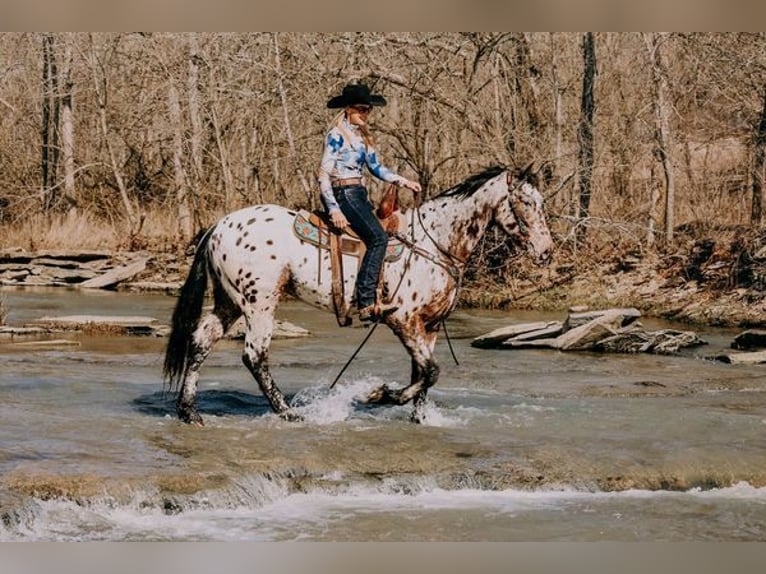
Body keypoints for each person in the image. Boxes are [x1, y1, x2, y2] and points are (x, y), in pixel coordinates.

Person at [317, 83, 422, 323]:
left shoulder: (362, 138)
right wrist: (333, 209)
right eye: (361, 109)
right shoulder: (336, 136)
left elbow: (376, 168)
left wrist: (403, 181)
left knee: (382, 234)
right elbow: (323, 175)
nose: (365, 114)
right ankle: (366, 301)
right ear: (348, 110)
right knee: (378, 238)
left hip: (359, 194)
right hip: (344, 193)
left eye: (368, 110)